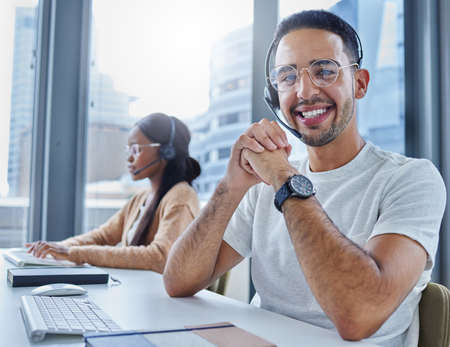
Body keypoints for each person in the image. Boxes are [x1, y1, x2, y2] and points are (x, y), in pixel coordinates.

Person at [163, 10, 446, 347]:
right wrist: (232, 184)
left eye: (324, 71)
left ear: (360, 83)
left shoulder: (411, 179)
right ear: (275, 96)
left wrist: (284, 178)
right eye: (287, 76)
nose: (304, 90)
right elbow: (178, 281)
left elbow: (357, 316)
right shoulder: (262, 183)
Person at [27, 113, 201, 273]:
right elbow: (103, 235)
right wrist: (55, 248)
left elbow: (159, 257)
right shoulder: (141, 198)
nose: (129, 158)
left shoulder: (181, 197)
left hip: (161, 301)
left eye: (136, 149)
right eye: (129, 149)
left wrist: (73, 253)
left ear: (165, 151)